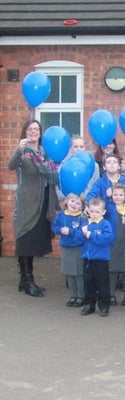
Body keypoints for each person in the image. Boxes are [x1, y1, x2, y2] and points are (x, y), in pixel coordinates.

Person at [9, 119, 59, 297]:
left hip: (43, 201)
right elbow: (11, 165)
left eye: (36, 129)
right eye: (30, 129)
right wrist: (19, 150)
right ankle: (27, 280)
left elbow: (53, 174)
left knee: (34, 239)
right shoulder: (23, 152)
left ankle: (25, 280)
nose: (33, 131)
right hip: (27, 202)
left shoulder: (45, 153)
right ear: (25, 132)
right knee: (25, 239)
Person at [80, 197, 115, 316]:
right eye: (92, 211)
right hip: (88, 259)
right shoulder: (85, 224)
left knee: (102, 283)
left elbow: (108, 239)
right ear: (88, 211)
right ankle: (89, 304)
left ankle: (104, 305)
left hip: (101, 259)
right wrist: (81, 233)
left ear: (103, 212)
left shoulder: (105, 224)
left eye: (97, 212)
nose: (94, 214)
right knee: (88, 283)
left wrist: (91, 234)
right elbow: (79, 239)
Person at [51, 193, 85, 307]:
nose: (74, 204)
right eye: (72, 201)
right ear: (66, 202)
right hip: (66, 248)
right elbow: (54, 227)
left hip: (78, 248)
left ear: (82, 206)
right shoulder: (61, 215)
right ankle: (73, 295)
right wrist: (60, 230)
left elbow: (82, 233)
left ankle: (81, 296)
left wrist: (71, 231)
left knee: (79, 274)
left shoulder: (82, 217)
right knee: (69, 273)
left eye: (78, 203)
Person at [106, 183, 125, 306]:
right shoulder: (108, 209)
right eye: (115, 195)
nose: (118, 197)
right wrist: (106, 197)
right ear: (111, 196)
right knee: (112, 271)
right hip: (112, 245)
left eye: (121, 195)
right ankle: (111, 295)